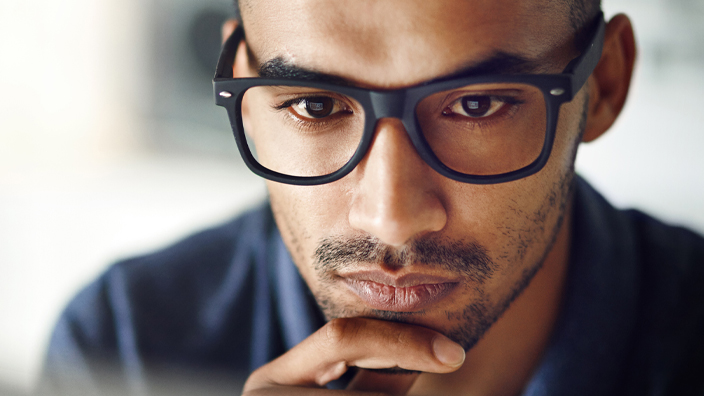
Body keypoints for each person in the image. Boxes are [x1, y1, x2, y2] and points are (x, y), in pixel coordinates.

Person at [40, 0, 704, 395]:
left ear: (605, 84)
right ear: (242, 93)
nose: (391, 217)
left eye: (476, 105)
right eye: (315, 104)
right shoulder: (123, 349)